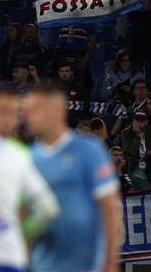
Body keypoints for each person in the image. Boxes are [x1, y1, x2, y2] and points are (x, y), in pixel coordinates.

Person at [25, 84, 121, 272]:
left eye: (35, 109)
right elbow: (26, 216)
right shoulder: (29, 159)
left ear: (56, 111)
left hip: (87, 266)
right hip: (43, 266)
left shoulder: (89, 150)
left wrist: (110, 264)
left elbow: (110, 210)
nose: (28, 116)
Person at [0, 88, 60, 272]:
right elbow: (48, 208)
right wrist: (23, 234)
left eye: (13, 113)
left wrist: (22, 233)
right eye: (3, 111)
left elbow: (48, 208)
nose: (7, 119)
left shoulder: (18, 154)